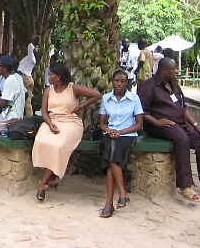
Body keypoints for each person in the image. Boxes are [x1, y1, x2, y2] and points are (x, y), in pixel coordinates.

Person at [137, 57, 200, 201]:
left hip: (180, 124)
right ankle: (185, 186)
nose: (176, 71)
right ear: (164, 70)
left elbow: (183, 108)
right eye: (173, 69)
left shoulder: (174, 85)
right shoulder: (147, 87)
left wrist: (196, 125)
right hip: (159, 125)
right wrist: (157, 122)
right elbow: (141, 111)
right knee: (182, 139)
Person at [32, 62, 101, 201]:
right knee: (40, 141)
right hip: (52, 121)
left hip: (71, 123)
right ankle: (52, 177)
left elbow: (96, 95)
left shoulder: (72, 88)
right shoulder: (48, 90)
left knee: (58, 145)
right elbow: (44, 112)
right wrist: (50, 124)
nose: (48, 77)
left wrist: (81, 106)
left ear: (59, 76)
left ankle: (43, 182)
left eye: (51, 75)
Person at [98, 70, 144, 218]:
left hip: (128, 135)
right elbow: (102, 124)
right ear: (112, 82)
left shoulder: (134, 98)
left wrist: (121, 132)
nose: (119, 84)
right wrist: (109, 130)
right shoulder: (106, 98)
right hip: (110, 134)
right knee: (112, 145)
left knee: (111, 154)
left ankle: (109, 204)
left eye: (123, 81)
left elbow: (139, 124)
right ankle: (122, 193)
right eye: (116, 81)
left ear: (127, 83)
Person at [18, 42, 37, 115]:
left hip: (24, 78)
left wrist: (35, 49)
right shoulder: (30, 58)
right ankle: (29, 115)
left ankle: (19, 115)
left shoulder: (30, 57)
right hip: (29, 79)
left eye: (24, 49)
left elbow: (30, 45)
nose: (23, 50)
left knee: (19, 98)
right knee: (28, 101)